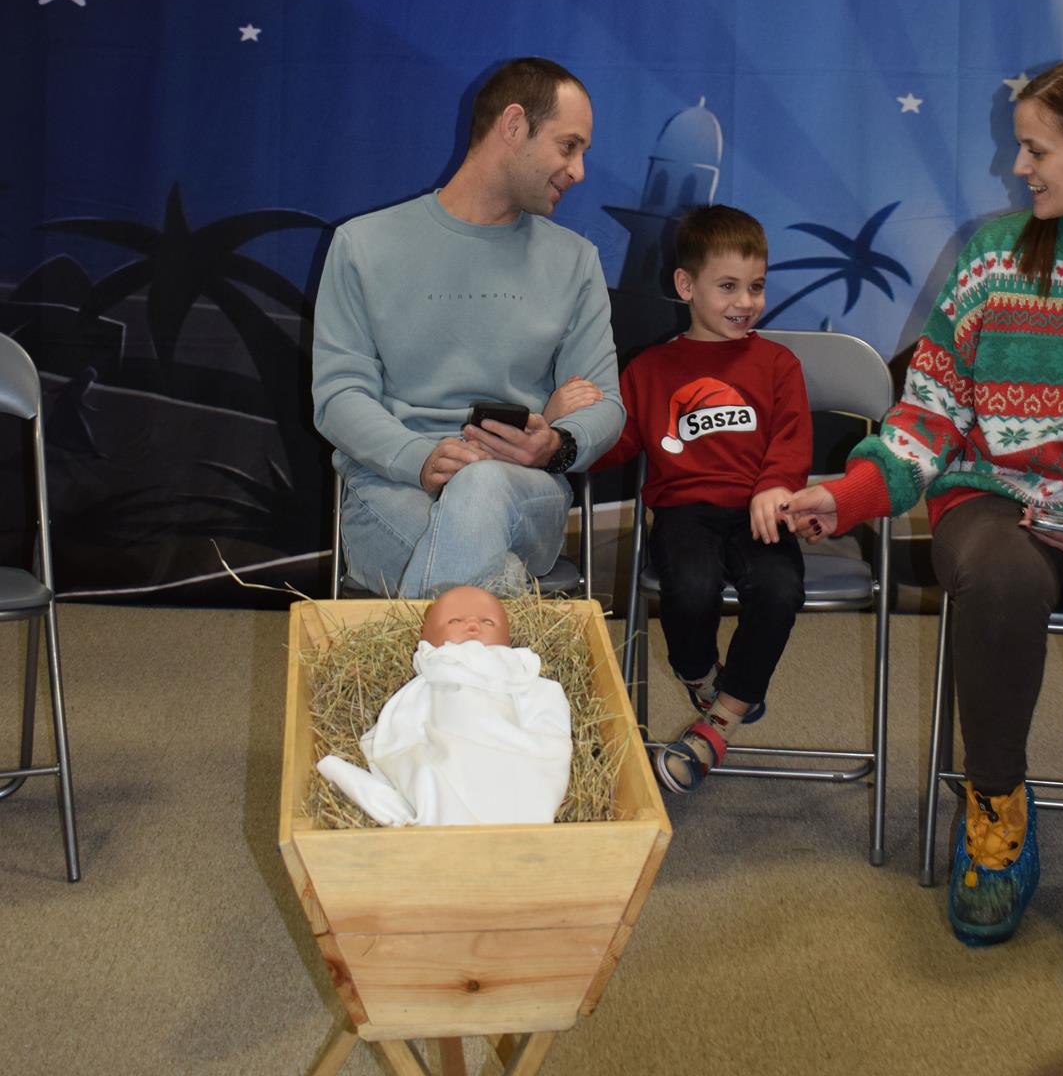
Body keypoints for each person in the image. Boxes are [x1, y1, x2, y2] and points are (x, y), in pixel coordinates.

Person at [784, 60, 1063, 1011]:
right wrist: (853, 493)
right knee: (999, 583)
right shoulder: (996, 257)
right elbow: (930, 413)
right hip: (993, 494)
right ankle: (995, 822)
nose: (1019, 167)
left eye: (1036, 149)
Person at [313, 58, 624, 597]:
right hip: (392, 486)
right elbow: (339, 396)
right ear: (513, 126)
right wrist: (419, 459)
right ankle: (502, 598)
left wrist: (554, 446)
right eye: (568, 146)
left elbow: (606, 405)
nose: (579, 171)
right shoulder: (362, 245)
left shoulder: (576, 260)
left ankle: (438, 643)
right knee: (467, 550)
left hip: (524, 489)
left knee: (480, 487)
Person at [592, 205, 812, 795]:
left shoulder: (778, 364)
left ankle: (721, 720)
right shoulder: (650, 369)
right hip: (684, 511)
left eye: (756, 286)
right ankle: (700, 675)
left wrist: (775, 485)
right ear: (686, 286)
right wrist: (568, 437)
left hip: (760, 510)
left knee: (779, 587)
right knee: (689, 588)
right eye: (728, 286)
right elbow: (616, 444)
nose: (746, 301)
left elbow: (792, 438)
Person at [316, 585, 572, 826]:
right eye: (455, 621)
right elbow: (405, 727)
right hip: (451, 754)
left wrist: (539, 750)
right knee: (430, 773)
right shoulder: (432, 679)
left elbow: (548, 718)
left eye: (487, 622)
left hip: (512, 758)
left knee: (515, 784)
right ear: (428, 640)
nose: (472, 624)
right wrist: (405, 755)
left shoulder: (519, 676)